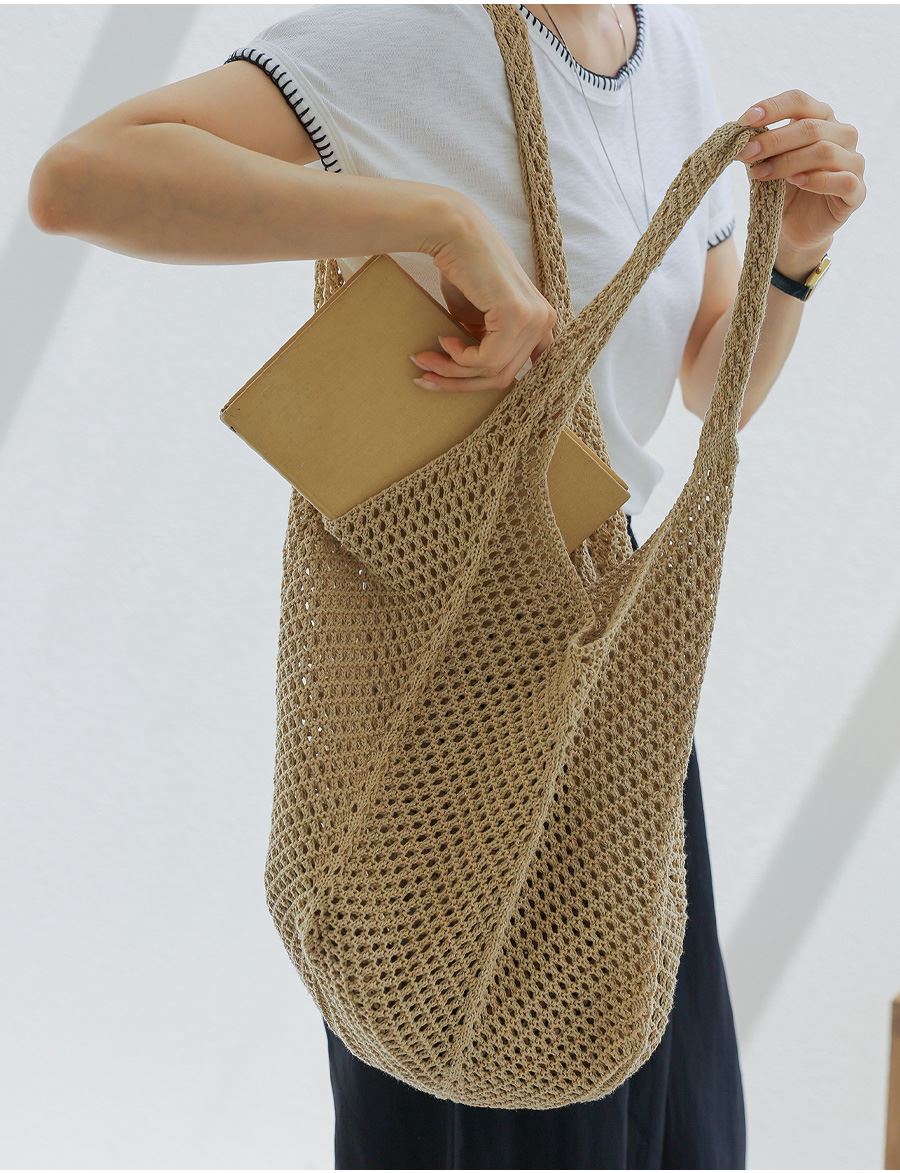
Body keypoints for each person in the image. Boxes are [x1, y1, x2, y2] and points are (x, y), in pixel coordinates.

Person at [28, 4, 865, 1168]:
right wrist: (433, 219)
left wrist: (795, 254)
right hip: (449, 685)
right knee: (491, 1105)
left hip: (610, 669)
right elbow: (79, 180)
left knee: (669, 1127)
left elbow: (708, 374)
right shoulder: (421, 33)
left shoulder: (666, 46)